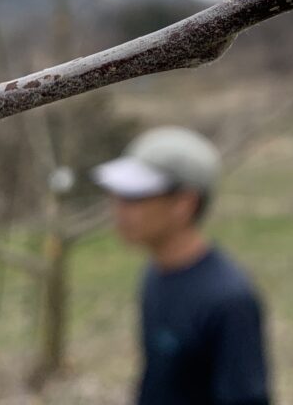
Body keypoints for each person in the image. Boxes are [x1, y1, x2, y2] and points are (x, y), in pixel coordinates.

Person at [92, 126, 272, 405]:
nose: (119, 209)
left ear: (184, 203)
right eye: (118, 195)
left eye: (134, 197)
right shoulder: (156, 273)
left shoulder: (229, 301)